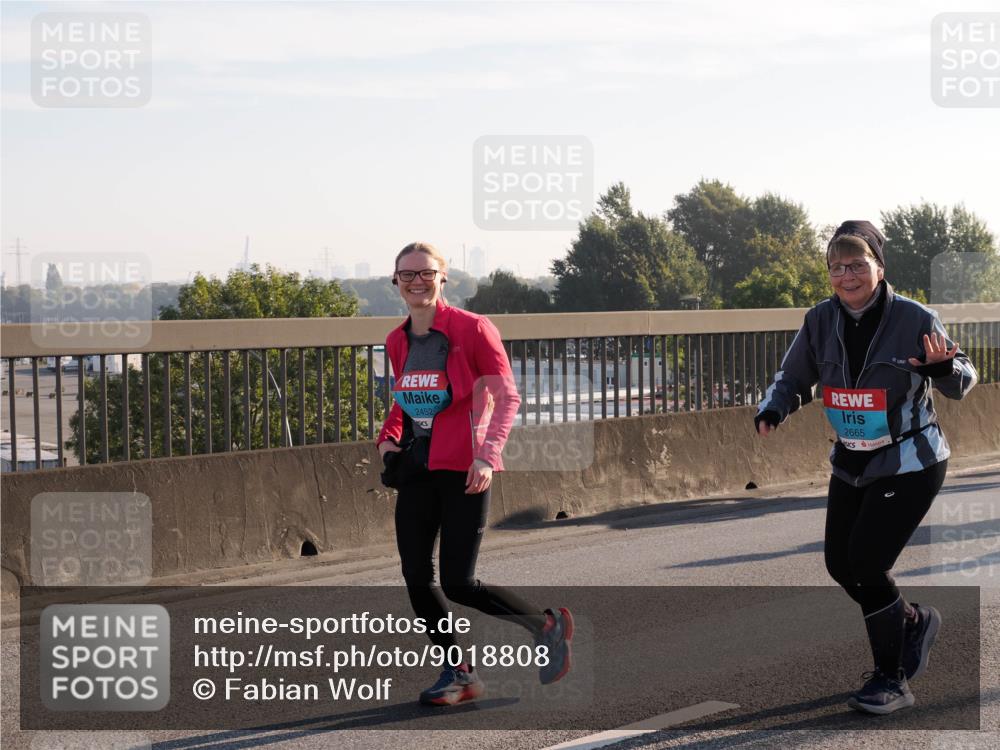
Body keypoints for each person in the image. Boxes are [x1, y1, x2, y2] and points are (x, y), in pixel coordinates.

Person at [754, 220, 978, 715]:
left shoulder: (915, 317)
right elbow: (793, 375)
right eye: (836, 267)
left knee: (868, 563)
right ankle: (911, 621)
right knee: (840, 564)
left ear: (879, 267)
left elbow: (964, 377)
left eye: (857, 265)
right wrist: (774, 407)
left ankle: (891, 679)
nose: (846, 276)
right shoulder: (819, 319)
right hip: (852, 459)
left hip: (910, 460)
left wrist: (942, 369)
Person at [377, 242, 573, 706]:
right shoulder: (397, 340)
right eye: (407, 275)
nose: (417, 282)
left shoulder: (473, 329)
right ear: (396, 282)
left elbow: (507, 397)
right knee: (416, 577)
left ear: (442, 278)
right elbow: (406, 400)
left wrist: (487, 456)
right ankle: (459, 673)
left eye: (426, 273)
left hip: (465, 469)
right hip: (417, 470)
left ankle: (545, 626)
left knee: (459, 583)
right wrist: (388, 439)